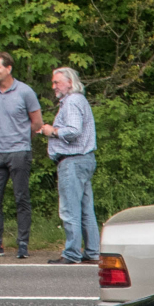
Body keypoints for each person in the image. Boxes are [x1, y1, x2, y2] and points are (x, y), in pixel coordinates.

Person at [0, 51, 43, 259]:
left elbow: (37, 122)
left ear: (9, 68)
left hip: (19, 151)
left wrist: (25, 142)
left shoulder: (25, 92)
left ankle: (23, 243)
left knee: (21, 198)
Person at [41, 65, 97, 265]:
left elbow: (73, 130)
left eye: (57, 82)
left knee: (70, 208)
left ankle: (72, 253)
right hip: (85, 159)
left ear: (70, 83)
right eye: (53, 82)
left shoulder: (72, 102)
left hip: (73, 161)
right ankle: (92, 252)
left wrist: (52, 131)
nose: (53, 86)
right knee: (85, 208)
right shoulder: (78, 101)